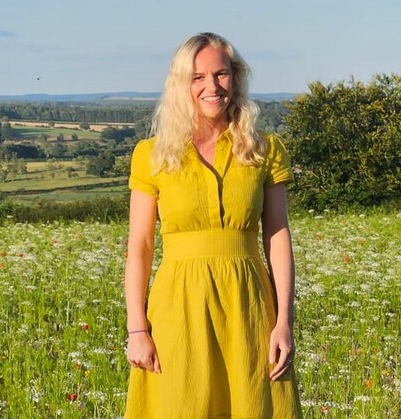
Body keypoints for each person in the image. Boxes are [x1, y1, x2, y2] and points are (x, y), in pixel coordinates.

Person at [123, 32, 302, 418]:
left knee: (255, 404)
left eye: (221, 74)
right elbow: (139, 245)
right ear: (181, 84)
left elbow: (277, 235)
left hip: (250, 306)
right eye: (197, 77)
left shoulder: (264, 149)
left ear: (234, 79)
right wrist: (137, 328)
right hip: (178, 308)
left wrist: (284, 322)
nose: (212, 86)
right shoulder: (151, 155)